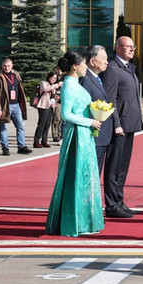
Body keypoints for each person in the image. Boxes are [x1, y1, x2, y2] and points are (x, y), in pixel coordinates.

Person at [44, 50, 104, 237]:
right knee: (76, 177)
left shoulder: (75, 83)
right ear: (74, 67)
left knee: (85, 178)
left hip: (84, 136)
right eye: (84, 64)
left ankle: (84, 221)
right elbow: (66, 115)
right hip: (76, 136)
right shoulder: (69, 86)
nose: (86, 67)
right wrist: (90, 121)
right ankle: (74, 222)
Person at [101, 35, 143, 219]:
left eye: (133, 47)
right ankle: (111, 205)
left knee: (123, 167)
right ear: (117, 48)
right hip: (119, 127)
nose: (132, 49)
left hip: (130, 124)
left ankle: (119, 201)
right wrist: (116, 124)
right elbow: (109, 100)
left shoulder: (128, 68)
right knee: (114, 166)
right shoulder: (112, 69)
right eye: (128, 47)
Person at [79, 45, 114, 174]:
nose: (107, 62)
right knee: (91, 174)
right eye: (103, 59)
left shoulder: (97, 78)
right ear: (92, 61)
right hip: (93, 136)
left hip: (102, 135)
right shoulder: (85, 79)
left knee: (96, 173)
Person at [0, 58, 31, 156]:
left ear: (12, 66)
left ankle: (22, 146)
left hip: (16, 105)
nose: (6, 67)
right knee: (4, 127)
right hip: (5, 106)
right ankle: (5, 148)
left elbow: (20, 88)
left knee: (21, 126)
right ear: (2, 66)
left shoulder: (15, 74)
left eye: (8, 66)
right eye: (4, 66)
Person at [33, 72, 60, 148]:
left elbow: (52, 95)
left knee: (47, 124)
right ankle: (36, 141)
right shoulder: (44, 83)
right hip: (43, 106)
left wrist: (55, 97)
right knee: (41, 123)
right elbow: (45, 89)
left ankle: (44, 140)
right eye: (53, 77)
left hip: (50, 106)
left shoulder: (53, 86)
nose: (54, 79)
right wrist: (55, 85)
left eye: (55, 78)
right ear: (49, 77)